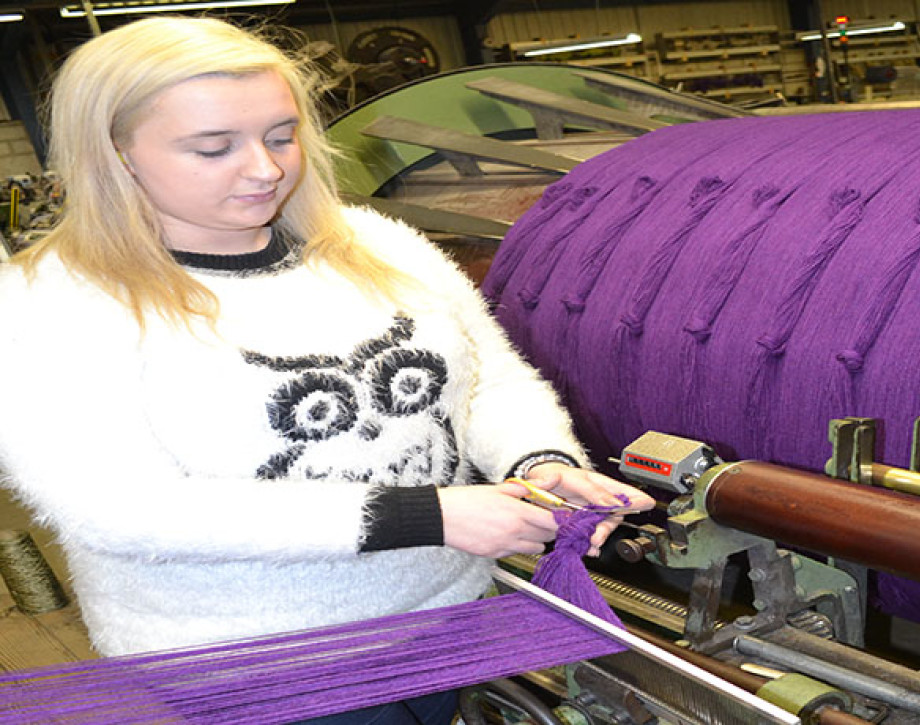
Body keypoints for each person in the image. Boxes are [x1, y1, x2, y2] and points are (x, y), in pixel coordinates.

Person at [0, 16, 654, 725]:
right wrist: (428, 514)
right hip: (261, 669)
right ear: (116, 154)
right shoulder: (49, 302)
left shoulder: (377, 246)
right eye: (213, 147)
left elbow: (489, 380)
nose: (266, 168)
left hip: (446, 622)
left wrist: (539, 459)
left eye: (281, 135)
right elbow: (124, 507)